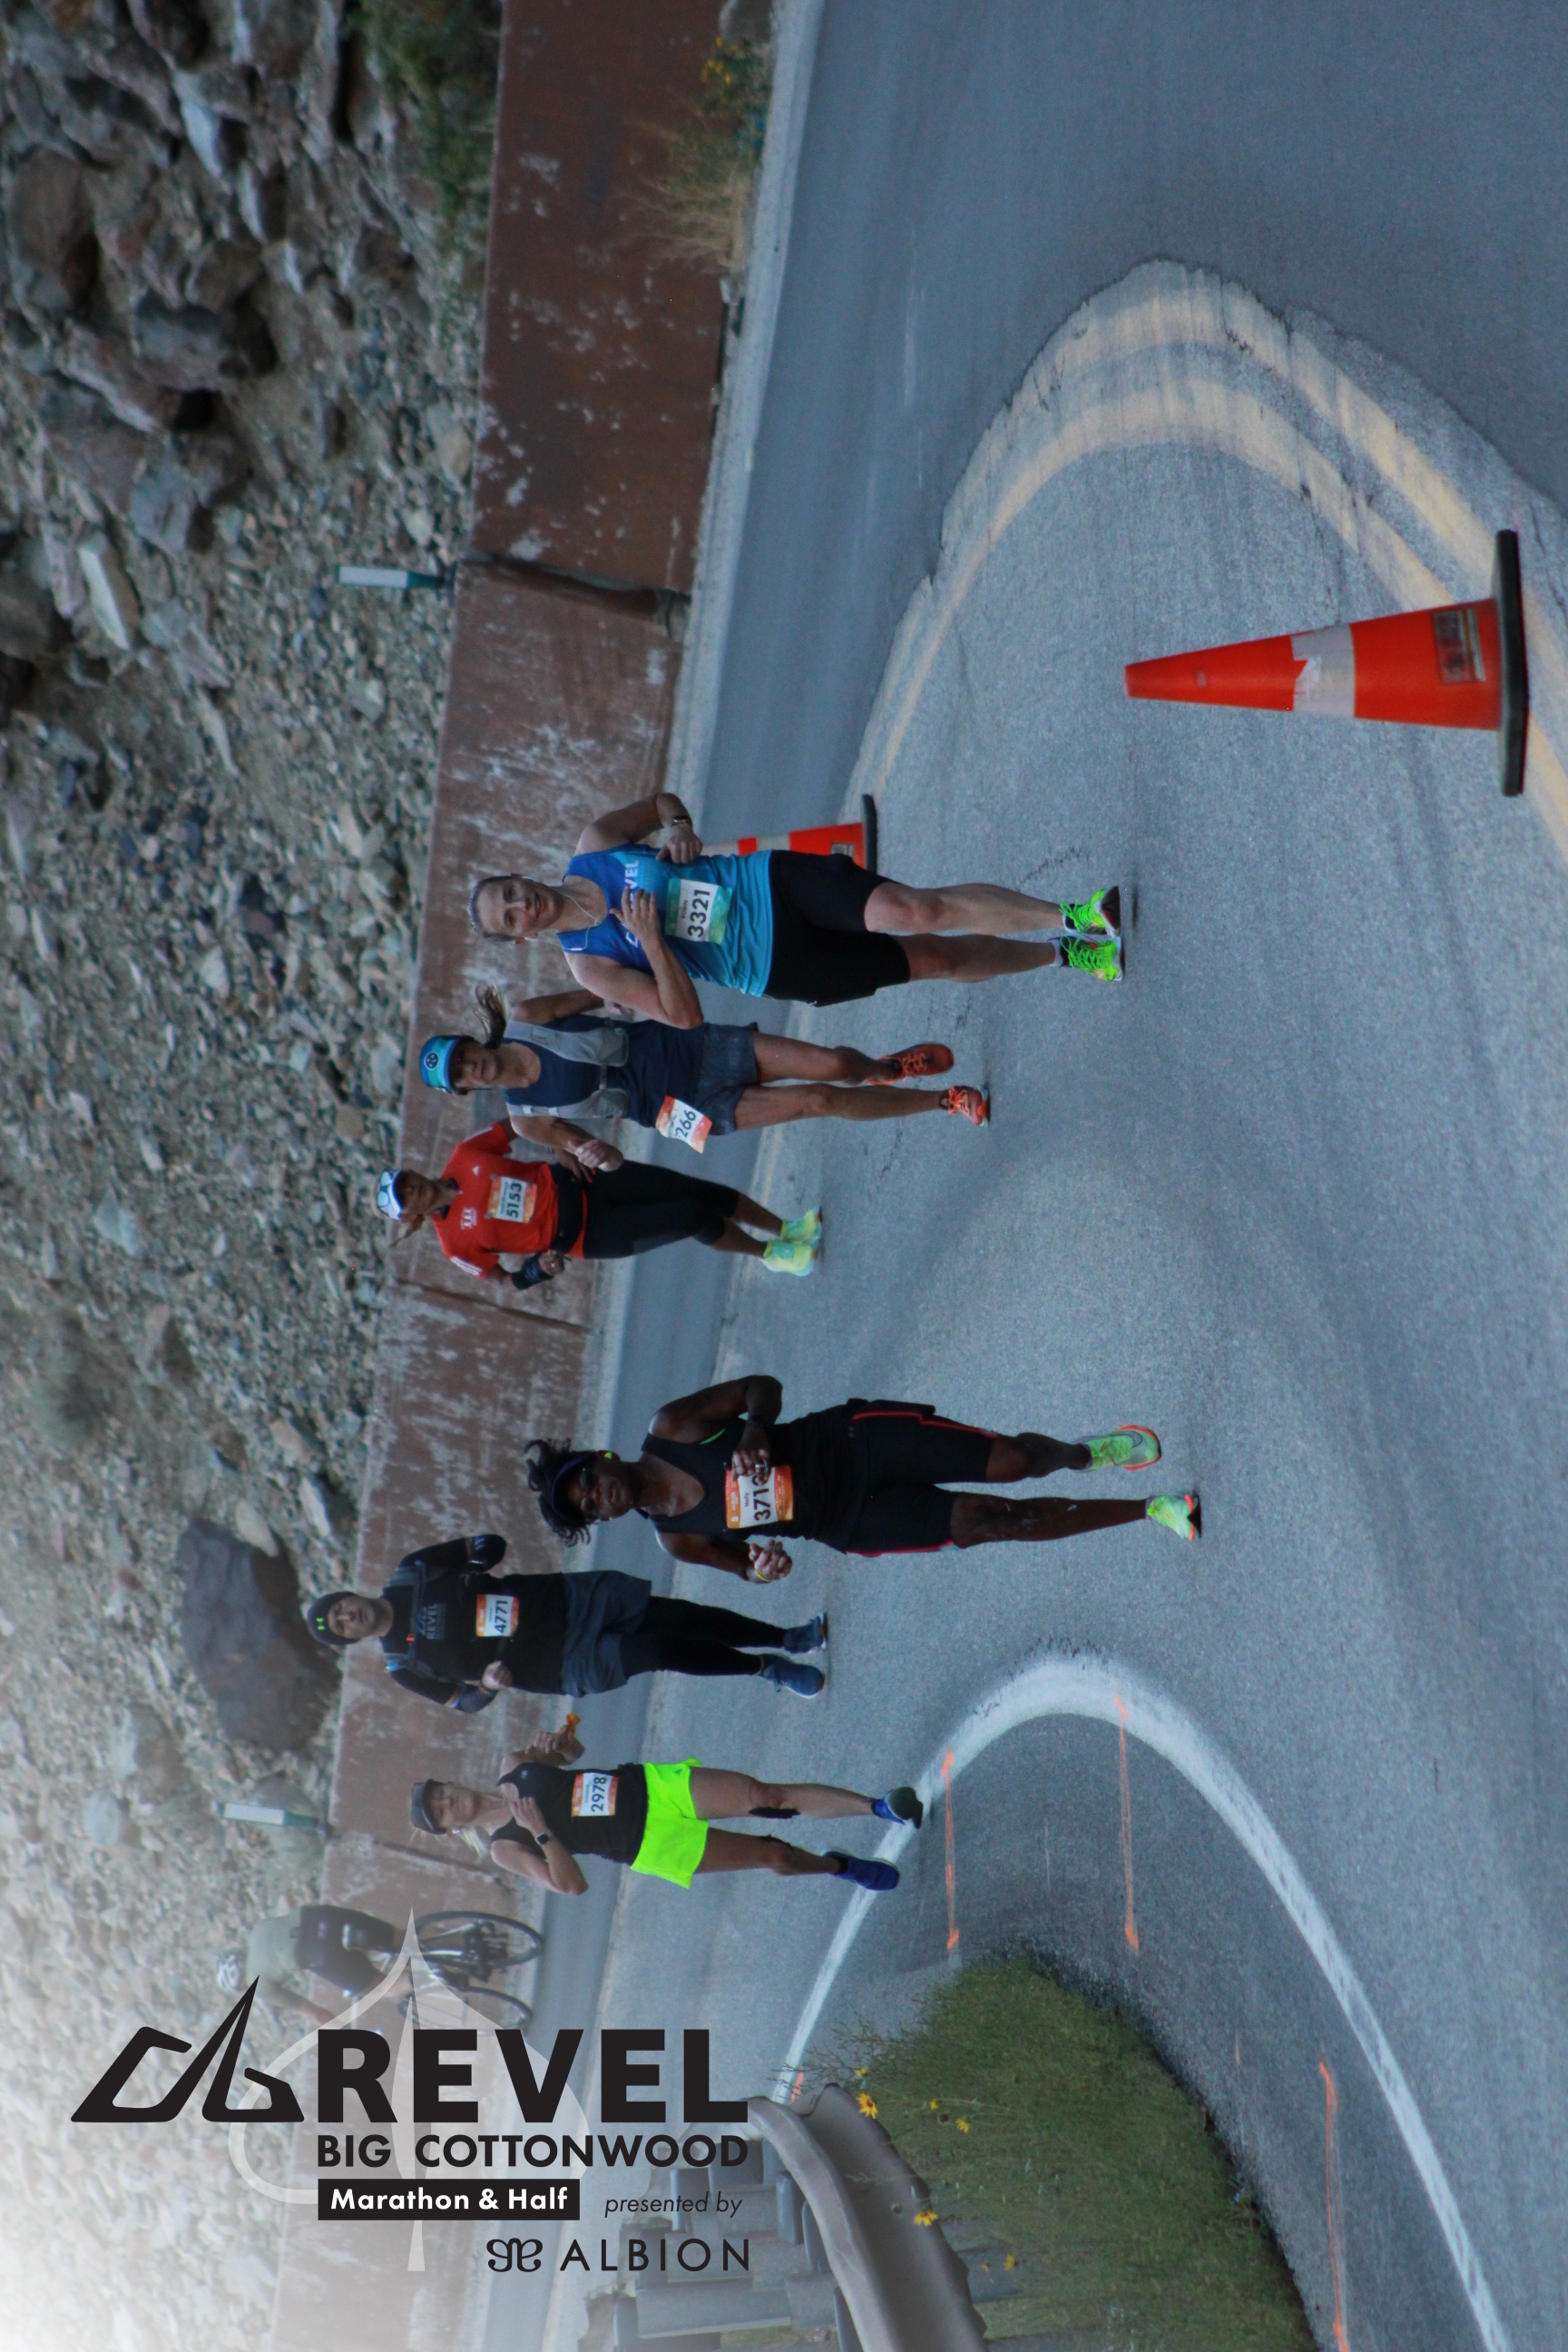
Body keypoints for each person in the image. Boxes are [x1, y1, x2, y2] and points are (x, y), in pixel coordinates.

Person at [466, 789, 1123, 1020]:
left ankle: (1072, 912)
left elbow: (664, 803)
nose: (522, 905)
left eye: (510, 892)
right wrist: (654, 942)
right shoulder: (589, 965)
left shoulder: (596, 845)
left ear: (520, 875)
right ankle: (1063, 954)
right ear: (521, 938)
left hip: (769, 884)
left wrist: (680, 829)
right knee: (934, 961)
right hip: (770, 964)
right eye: (510, 917)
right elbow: (683, 1017)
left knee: (914, 911)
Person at [527, 1377, 1199, 1576]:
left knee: (1015, 1463)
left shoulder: (672, 1424)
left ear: (601, 1458)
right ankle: (1151, 1508)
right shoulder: (677, 1540)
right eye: (590, 1507)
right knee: (992, 1524)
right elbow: (749, 1569)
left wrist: (756, 1430)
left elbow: (763, 1388)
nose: (598, 1495)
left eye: (587, 1480)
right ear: (603, 1519)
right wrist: (766, 1567)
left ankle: (1084, 1454)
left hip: (854, 1444)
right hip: (847, 1522)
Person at [417, 982, 990, 1141]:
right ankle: (943, 1101)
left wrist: (624, 998)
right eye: (461, 1076)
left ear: (472, 1042)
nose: (472, 1068)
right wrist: (593, 1158)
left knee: (837, 1066)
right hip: (673, 1113)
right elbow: (584, 1149)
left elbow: (597, 990)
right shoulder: (526, 1120)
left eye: (465, 1056)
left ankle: (886, 1069)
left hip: (686, 1047)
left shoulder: (528, 1017)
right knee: (818, 1101)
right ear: (466, 1090)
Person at [304, 1532, 831, 1703]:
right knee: (657, 1650)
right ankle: (765, 1668)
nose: (348, 1616)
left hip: (564, 1601)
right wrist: (487, 1686)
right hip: (556, 1662)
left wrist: (479, 1561)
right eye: (342, 1626)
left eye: (340, 1608)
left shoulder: (412, 1570)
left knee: (678, 1616)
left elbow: (486, 1543)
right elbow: (462, 1703)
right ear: (351, 1640)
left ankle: (786, 1637)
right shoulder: (402, 1666)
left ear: (347, 1594)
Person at [412, 1719, 919, 1896]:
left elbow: (572, 1755)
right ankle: (840, 1866)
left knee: (764, 1796)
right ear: (452, 1830)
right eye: (441, 1813)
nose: (447, 1802)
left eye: (440, 1793)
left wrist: (561, 1744)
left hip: (650, 1788)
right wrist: (543, 1832)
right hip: (647, 1843)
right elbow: (570, 1886)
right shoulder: (503, 1848)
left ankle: (880, 1808)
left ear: (450, 1780)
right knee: (775, 1856)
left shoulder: (514, 1765)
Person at [376, 1120, 820, 1287]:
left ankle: (785, 1228)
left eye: (406, 1182)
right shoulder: (454, 1244)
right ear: (410, 1216)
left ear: (412, 1171)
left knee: (696, 1191)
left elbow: (522, 1120)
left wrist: (560, 1144)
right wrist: (537, 1271)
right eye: (405, 1198)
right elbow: (505, 1282)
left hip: (585, 1180)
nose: (412, 1190)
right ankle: (770, 1254)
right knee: (690, 1217)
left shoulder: (466, 1154)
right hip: (588, 1234)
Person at [215, 1905, 399, 2023]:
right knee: (398, 1937)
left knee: (382, 1988)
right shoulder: (257, 1932)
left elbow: (315, 2013)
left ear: (242, 1983)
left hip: (316, 1950)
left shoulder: (260, 1988)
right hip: (317, 1915)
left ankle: (415, 1979)